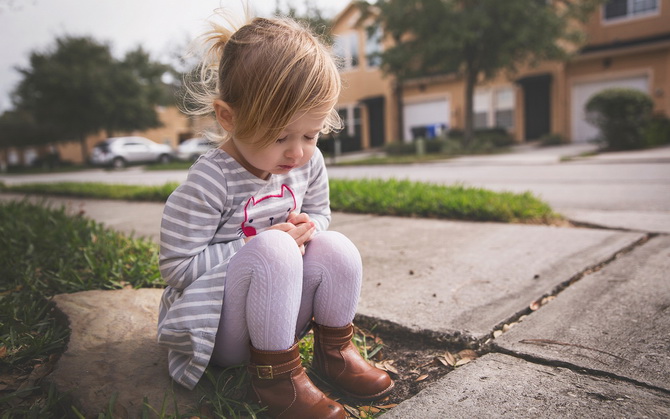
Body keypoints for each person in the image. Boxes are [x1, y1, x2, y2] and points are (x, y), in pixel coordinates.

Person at [157, 13, 393, 419]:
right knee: (273, 250)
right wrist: (257, 244)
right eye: (281, 136)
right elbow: (177, 268)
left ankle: (335, 353)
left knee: (337, 246)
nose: (297, 152)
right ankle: (275, 380)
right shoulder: (211, 180)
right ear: (229, 117)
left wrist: (310, 226)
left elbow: (320, 212)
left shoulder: (307, 162)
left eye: (311, 133)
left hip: (278, 318)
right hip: (218, 329)